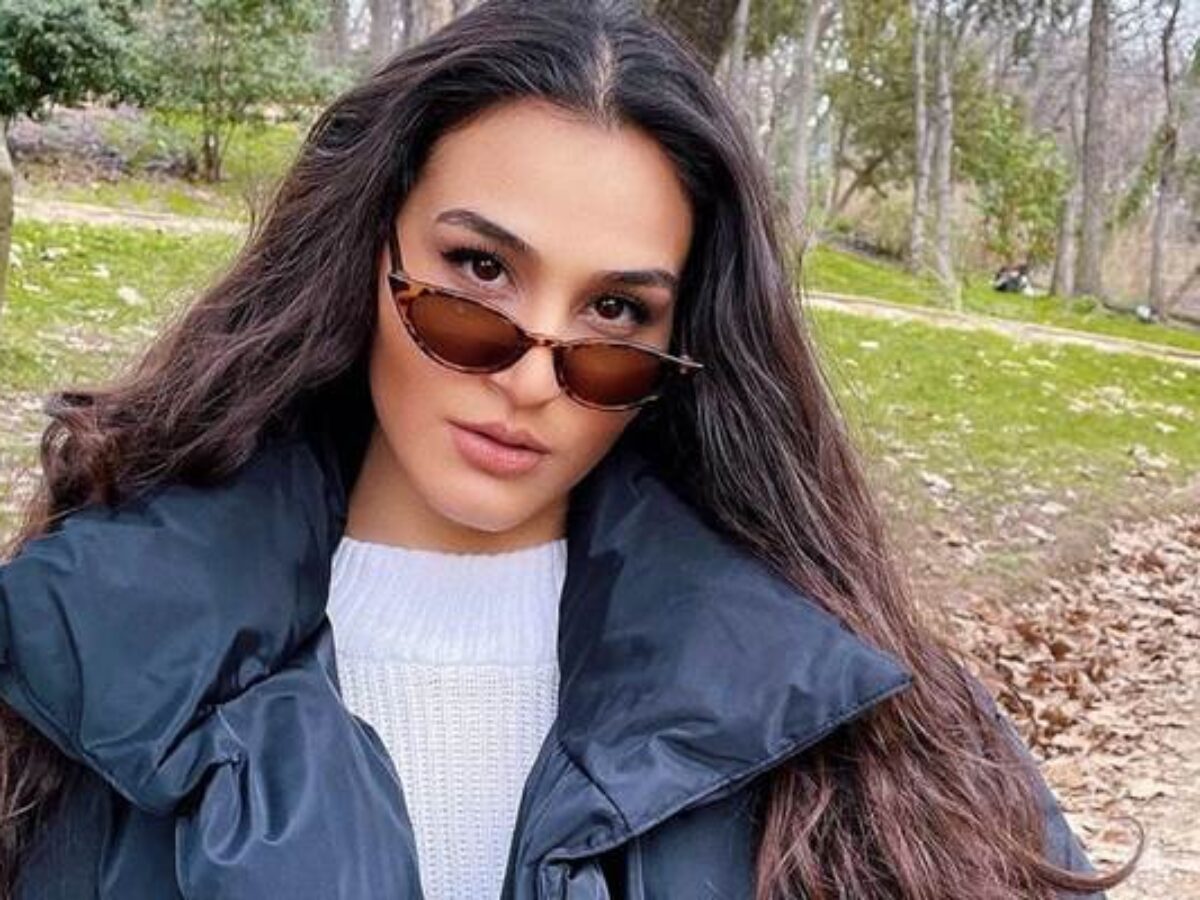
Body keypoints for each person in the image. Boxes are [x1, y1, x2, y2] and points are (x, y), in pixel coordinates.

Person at [0, 1, 1141, 898]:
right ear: (366, 251)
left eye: (615, 316)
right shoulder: (79, 647)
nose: (531, 379)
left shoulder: (862, 723)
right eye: (478, 274)